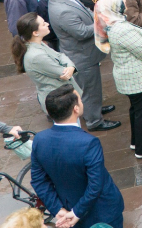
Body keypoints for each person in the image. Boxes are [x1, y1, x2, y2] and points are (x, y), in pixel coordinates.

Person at [30, 84, 125, 228]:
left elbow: (38, 181)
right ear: (75, 109)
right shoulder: (89, 142)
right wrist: (77, 212)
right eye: (80, 99)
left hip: (67, 207)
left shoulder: (40, 139)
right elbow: (96, 184)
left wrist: (58, 209)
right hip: (102, 211)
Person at [95, 0, 142, 158]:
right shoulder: (122, 29)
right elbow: (141, 50)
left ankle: (139, 140)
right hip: (137, 77)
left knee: (137, 110)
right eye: (121, 2)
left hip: (130, 76)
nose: (125, 3)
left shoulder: (114, 24)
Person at [46, 0, 120, 131]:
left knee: (92, 88)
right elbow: (81, 33)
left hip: (85, 53)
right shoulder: (62, 10)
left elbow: (85, 11)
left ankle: (94, 108)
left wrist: (96, 17)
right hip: (82, 56)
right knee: (89, 90)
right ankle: (94, 121)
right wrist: (104, 21)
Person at [11, 12, 80, 115]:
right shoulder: (37, 56)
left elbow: (60, 55)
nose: (47, 24)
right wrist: (69, 68)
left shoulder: (37, 44)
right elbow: (63, 72)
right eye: (43, 24)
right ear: (35, 33)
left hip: (61, 97)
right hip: (60, 102)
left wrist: (70, 67)